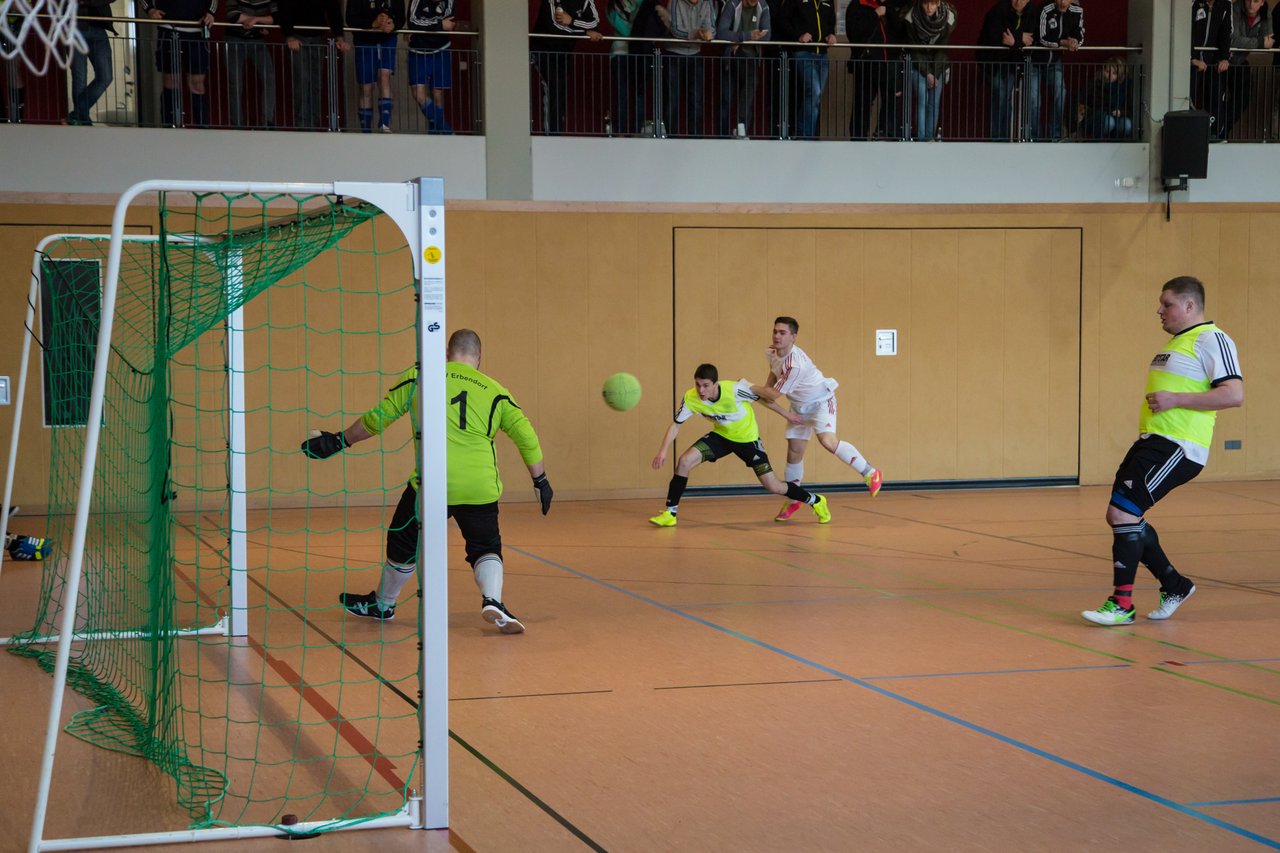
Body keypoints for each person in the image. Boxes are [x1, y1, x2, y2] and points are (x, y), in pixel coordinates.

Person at [301, 330, 552, 633]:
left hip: (431, 484)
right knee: (485, 546)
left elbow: (379, 417)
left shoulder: (420, 376)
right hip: (479, 485)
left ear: (447, 353)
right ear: (479, 357)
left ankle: (383, 603)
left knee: (402, 540)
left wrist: (340, 441)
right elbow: (526, 437)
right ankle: (493, 600)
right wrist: (540, 480)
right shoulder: (496, 390)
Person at [1082, 277, 1243, 626]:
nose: (1159, 310)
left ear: (1190, 305)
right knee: (1120, 514)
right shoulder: (1178, 342)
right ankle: (1175, 585)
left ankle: (1122, 604)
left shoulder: (1212, 338)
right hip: (1153, 440)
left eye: (1167, 304)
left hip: (1179, 445)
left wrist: (1176, 399)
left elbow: (1234, 394)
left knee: (1123, 513)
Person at [649, 363, 830, 527]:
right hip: (721, 436)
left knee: (773, 486)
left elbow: (762, 398)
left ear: (715, 383)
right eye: (698, 385)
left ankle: (815, 500)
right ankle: (670, 513)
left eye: (705, 385)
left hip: (747, 439)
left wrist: (787, 415)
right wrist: (663, 451)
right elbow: (676, 425)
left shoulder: (734, 390)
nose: (701, 390)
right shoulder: (691, 398)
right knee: (684, 461)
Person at [749, 317, 882, 521]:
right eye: (775, 331)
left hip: (820, 402)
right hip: (799, 406)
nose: (777, 336)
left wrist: (750, 387)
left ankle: (870, 472)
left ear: (793, 337)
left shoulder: (795, 365)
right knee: (794, 452)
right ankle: (794, 499)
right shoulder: (772, 352)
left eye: (783, 333)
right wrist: (764, 388)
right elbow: (773, 375)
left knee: (827, 441)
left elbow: (773, 395)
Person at [140, 0, 216, 128]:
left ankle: (203, 127)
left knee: (197, 82)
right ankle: (169, 126)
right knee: (171, 80)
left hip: (197, 30)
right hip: (169, 29)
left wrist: (211, 12)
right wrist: (150, 10)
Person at [531, 0, 603, 135]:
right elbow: (554, 27)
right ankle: (552, 135)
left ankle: (556, 132)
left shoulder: (586, 1)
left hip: (564, 53)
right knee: (553, 87)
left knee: (560, 91)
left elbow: (595, 22)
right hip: (543, 50)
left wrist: (572, 21)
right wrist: (584, 33)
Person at [278, 0, 348, 131]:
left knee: (316, 82)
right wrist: (289, 36)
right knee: (302, 79)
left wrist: (339, 37)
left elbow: (333, 10)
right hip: (297, 36)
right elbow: (284, 10)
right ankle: (302, 124)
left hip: (317, 36)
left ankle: (314, 123)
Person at [977, 0, 1034, 141]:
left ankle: (1004, 138)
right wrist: (1020, 38)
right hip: (992, 62)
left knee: (1006, 97)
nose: (1017, 1)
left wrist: (1014, 40)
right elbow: (997, 37)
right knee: (1001, 94)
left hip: (1011, 63)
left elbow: (1031, 39)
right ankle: (997, 138)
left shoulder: (1032, 12)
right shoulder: (998, 11)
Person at [778, 0, 836, 140]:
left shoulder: (827, 1)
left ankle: (803, 133)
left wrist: (831, 34)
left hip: (822, 54)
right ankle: (805, 136)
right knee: (814, 91)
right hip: (803, 52)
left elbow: (830, 22)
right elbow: (783, 20)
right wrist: (798, 35)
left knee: (815, 96)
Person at [845, 0, 902, 141]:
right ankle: (858, 139)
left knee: (891, 101)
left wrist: (889, 9)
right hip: (867, 64)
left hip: (889, 62)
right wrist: (874, 15)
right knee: (863, 103)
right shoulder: (857, 5)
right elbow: (854, 33)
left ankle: (884, 135)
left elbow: (900, 31)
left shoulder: (888, 6)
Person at [606, 0, 664, 136]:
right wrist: (643, 29)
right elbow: (626, 32)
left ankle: (636, 131)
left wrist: (645, 28)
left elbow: (653, 22)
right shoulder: (611, 8)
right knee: (622, 94)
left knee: (639, 93)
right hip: (620, 53)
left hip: (640, 54)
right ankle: (620, 132)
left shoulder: (643, 3)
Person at [901, 0, 955, 142]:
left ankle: (930, 139)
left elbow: (942, 49)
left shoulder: (948, 17)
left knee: (933, 103)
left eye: (933, 4)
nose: (929, 8)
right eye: (926, 4)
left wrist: (934, 73)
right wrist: (927, 73)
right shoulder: (911, 17)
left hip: (938, 65)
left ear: (938, 4)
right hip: (918, 65)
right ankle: (921, 140)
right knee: (922, 101)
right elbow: (915, 50)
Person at [1029, 0, 1083, 141]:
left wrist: (1075, 42)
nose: (1062, 2)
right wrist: (1062, 42)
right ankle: (1034, 138)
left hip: (1054, 61)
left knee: (1061, 93)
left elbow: (1079, 33)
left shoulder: (1077, 11)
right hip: (1035, 61)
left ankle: (1056, 135)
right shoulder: (1045, 9)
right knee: (1034, 99)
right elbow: (1042, 37)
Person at [347, 0, 405, 133]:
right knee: (366, 88)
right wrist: (372, 23)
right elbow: (351, 19)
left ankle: (384, 125)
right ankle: (366, 131)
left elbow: (401, 17)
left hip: (387, 39)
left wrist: (393, 25)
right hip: (364, 40)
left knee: (384, 77)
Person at [663, 0, 715, 138]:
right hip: (673, 53)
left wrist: (709, 33)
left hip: (695, 54)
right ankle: (671, 138)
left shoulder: (707, 2)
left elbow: (711, 26)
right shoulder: (674, 2)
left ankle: (695, 138)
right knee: (671, 99)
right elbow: (675, 30)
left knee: (696, 100)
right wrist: (696, 34)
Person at [1223, 0, 1273, 140]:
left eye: (1256, 1)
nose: (1251, 4)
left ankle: (1223, 129)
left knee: (1243, 99)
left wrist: (1259, 42)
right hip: (1221, 60)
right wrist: (1259, 42)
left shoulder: (1265, 12)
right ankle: (1217, 130)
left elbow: (1269, 41)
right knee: (1218, 99)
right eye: (1248, 0)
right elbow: (1232, 40)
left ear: (1262, 2)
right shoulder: (1235, 8)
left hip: (1239, 61)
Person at [224, 0, 278, 129]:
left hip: (257, 40)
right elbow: (232, 15)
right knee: (235, 82)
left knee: (269, 77)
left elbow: (277, 17)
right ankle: (237, 125)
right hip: (234, 39)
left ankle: (267, 121)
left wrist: (256, 20)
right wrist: (259, 22)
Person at [405, 0, 455, 134]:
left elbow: (449, 23)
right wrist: (439, 25)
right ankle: (446, 130)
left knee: (438, 95)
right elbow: (413, 22)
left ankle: (435, 136)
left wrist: (425, 27)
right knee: (418, 94)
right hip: (418, 50)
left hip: (441, 49)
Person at [67, 0, 116, 126]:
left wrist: (85, 2)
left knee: (105, 77)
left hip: (98, 26)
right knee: (79, 78)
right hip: (74, 26)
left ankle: (78, 115)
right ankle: (82, 120)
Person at [1191, 0, 1233, 142]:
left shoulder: (1225, 4)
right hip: (1193, 60)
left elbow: (1226, 32)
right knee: (1188, 95)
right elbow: (1185, 30)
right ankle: (1189, 131)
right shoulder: (1193, 2)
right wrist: (1192, 58)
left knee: (1215, 94)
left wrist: (1224, 58)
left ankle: (1213, 132)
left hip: (1212, 59)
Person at [1083, 56, 1131, 140]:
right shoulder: (1096, 83)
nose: (1110, 75)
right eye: (1107, 71)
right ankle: (1098, 139)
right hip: (1099, 118)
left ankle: (1115, 141)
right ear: (1103, 71)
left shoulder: (1124, 86)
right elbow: (1094, 105)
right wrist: (1110, 111)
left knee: (1127, 124)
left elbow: (1129, 106)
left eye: (1114, 73)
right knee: (1109, 122)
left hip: (1118, 118)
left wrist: (1121, 112)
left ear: (1119, 74)